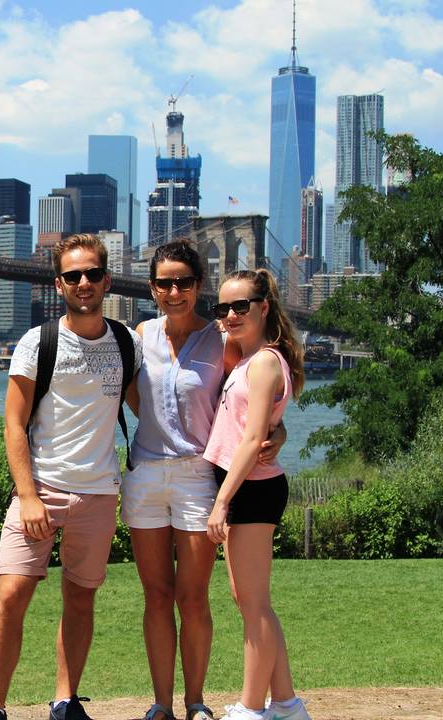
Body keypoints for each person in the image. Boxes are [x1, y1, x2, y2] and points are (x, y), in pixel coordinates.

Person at [0, 233, 141, 720]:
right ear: (58, 284)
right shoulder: (37, 342)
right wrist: (27, 495)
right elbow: (13, 422)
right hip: (41, 491)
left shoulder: (126, 343)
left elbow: (153, 409)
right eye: (73, 275)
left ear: (107, 280)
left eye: (92, 273)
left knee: (81, 598)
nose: (83, 282)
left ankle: (65, 702)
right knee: (11, 594)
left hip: (98, 492)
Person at [123, 243, 285, 720]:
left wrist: (280, 429)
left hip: (198, 477)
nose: (175, 292)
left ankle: (195, 702)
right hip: (145, 475)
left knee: (193, 597)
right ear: (152, 288)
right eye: (165, 283)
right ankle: (161, 705)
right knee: (156, 595)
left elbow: (255, 396)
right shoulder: (140, 335)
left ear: (198, 286)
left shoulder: (223, 340)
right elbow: (133, 396)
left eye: (185, 282)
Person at [202, 269, 310, 720]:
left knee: (254, 604)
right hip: (247, 485)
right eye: (222, 308)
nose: (229, 315)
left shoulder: (264, 361)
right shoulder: (247, 359)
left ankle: (250, 708)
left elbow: (250, 440)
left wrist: (222, 502)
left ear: (264, 308)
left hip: (252, 487)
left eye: (240, 306)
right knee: (250, 601)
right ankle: (285, 703)